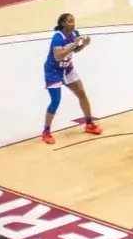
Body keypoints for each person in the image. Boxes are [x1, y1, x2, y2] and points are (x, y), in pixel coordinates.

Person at [42, 12, 100, 144]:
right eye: (69, 21)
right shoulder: (58, 37)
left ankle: (89, 124)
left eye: (74, 21)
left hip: (67, 69)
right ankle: (46, 132)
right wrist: (74, 45)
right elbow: (58, 56)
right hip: (53, 71)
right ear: (63, 24)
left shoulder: (75, 34)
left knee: (82, 94)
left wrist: (83, 45)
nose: (73, 24)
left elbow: (74, 50)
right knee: (55, 101)